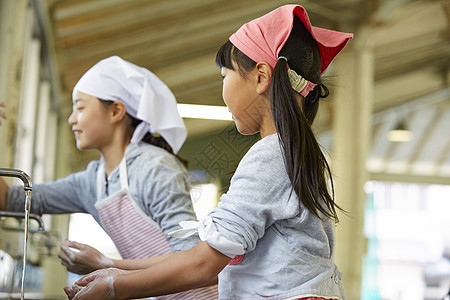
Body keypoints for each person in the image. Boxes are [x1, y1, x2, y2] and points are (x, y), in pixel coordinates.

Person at [65, 4, 353, 300]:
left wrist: (115, 287)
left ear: (260, 77)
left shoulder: (269, 155)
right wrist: (112, 266)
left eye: (224, 76)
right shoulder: (295, 153)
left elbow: (203, 265)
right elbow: (205, 254)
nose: (223, 88)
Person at [0, 56, 218, 299]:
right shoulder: (91, 181)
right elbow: (10, 201)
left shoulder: (155, 167)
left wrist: (105, 265)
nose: (72, 119)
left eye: (80, 108)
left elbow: (191, 259)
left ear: (115, 111)